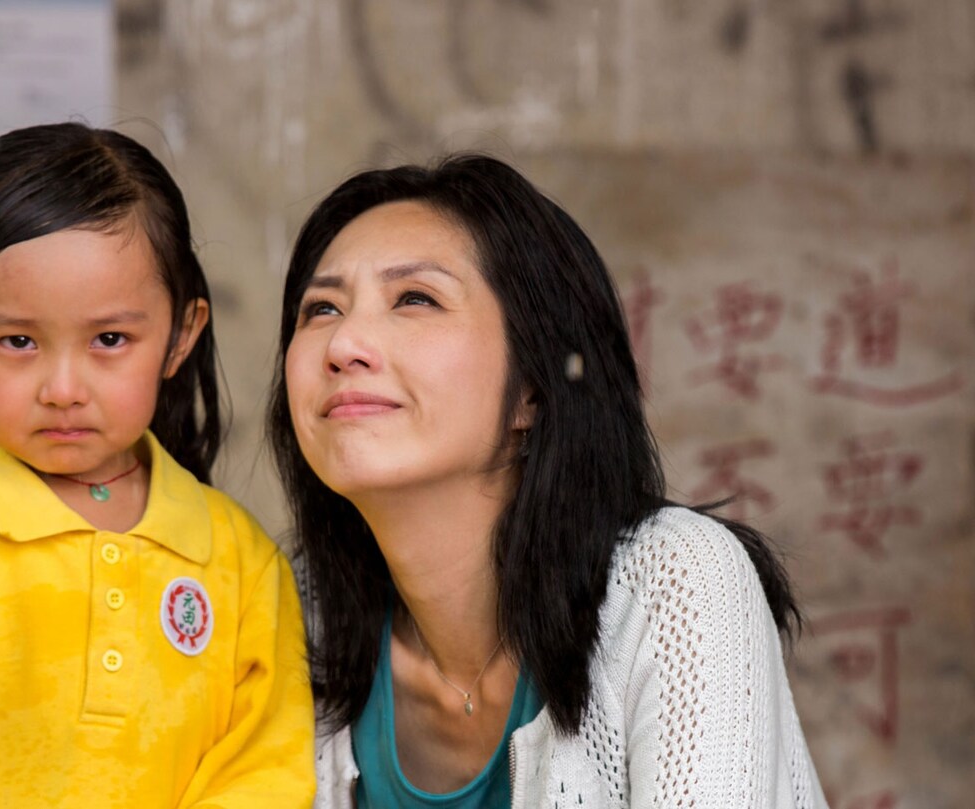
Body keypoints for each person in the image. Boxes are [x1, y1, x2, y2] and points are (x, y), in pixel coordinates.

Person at [267, 154, 827, 808]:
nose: (343, 344)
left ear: (532, 387)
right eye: (321, 308)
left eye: (415, 298)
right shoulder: (294, 611)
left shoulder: (677, 582)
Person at [0, 123, 314, 809]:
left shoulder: (238, 554)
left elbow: (268, 766)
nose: (62, 386)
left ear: (181, 335)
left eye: (110, 339)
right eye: (18, 340)